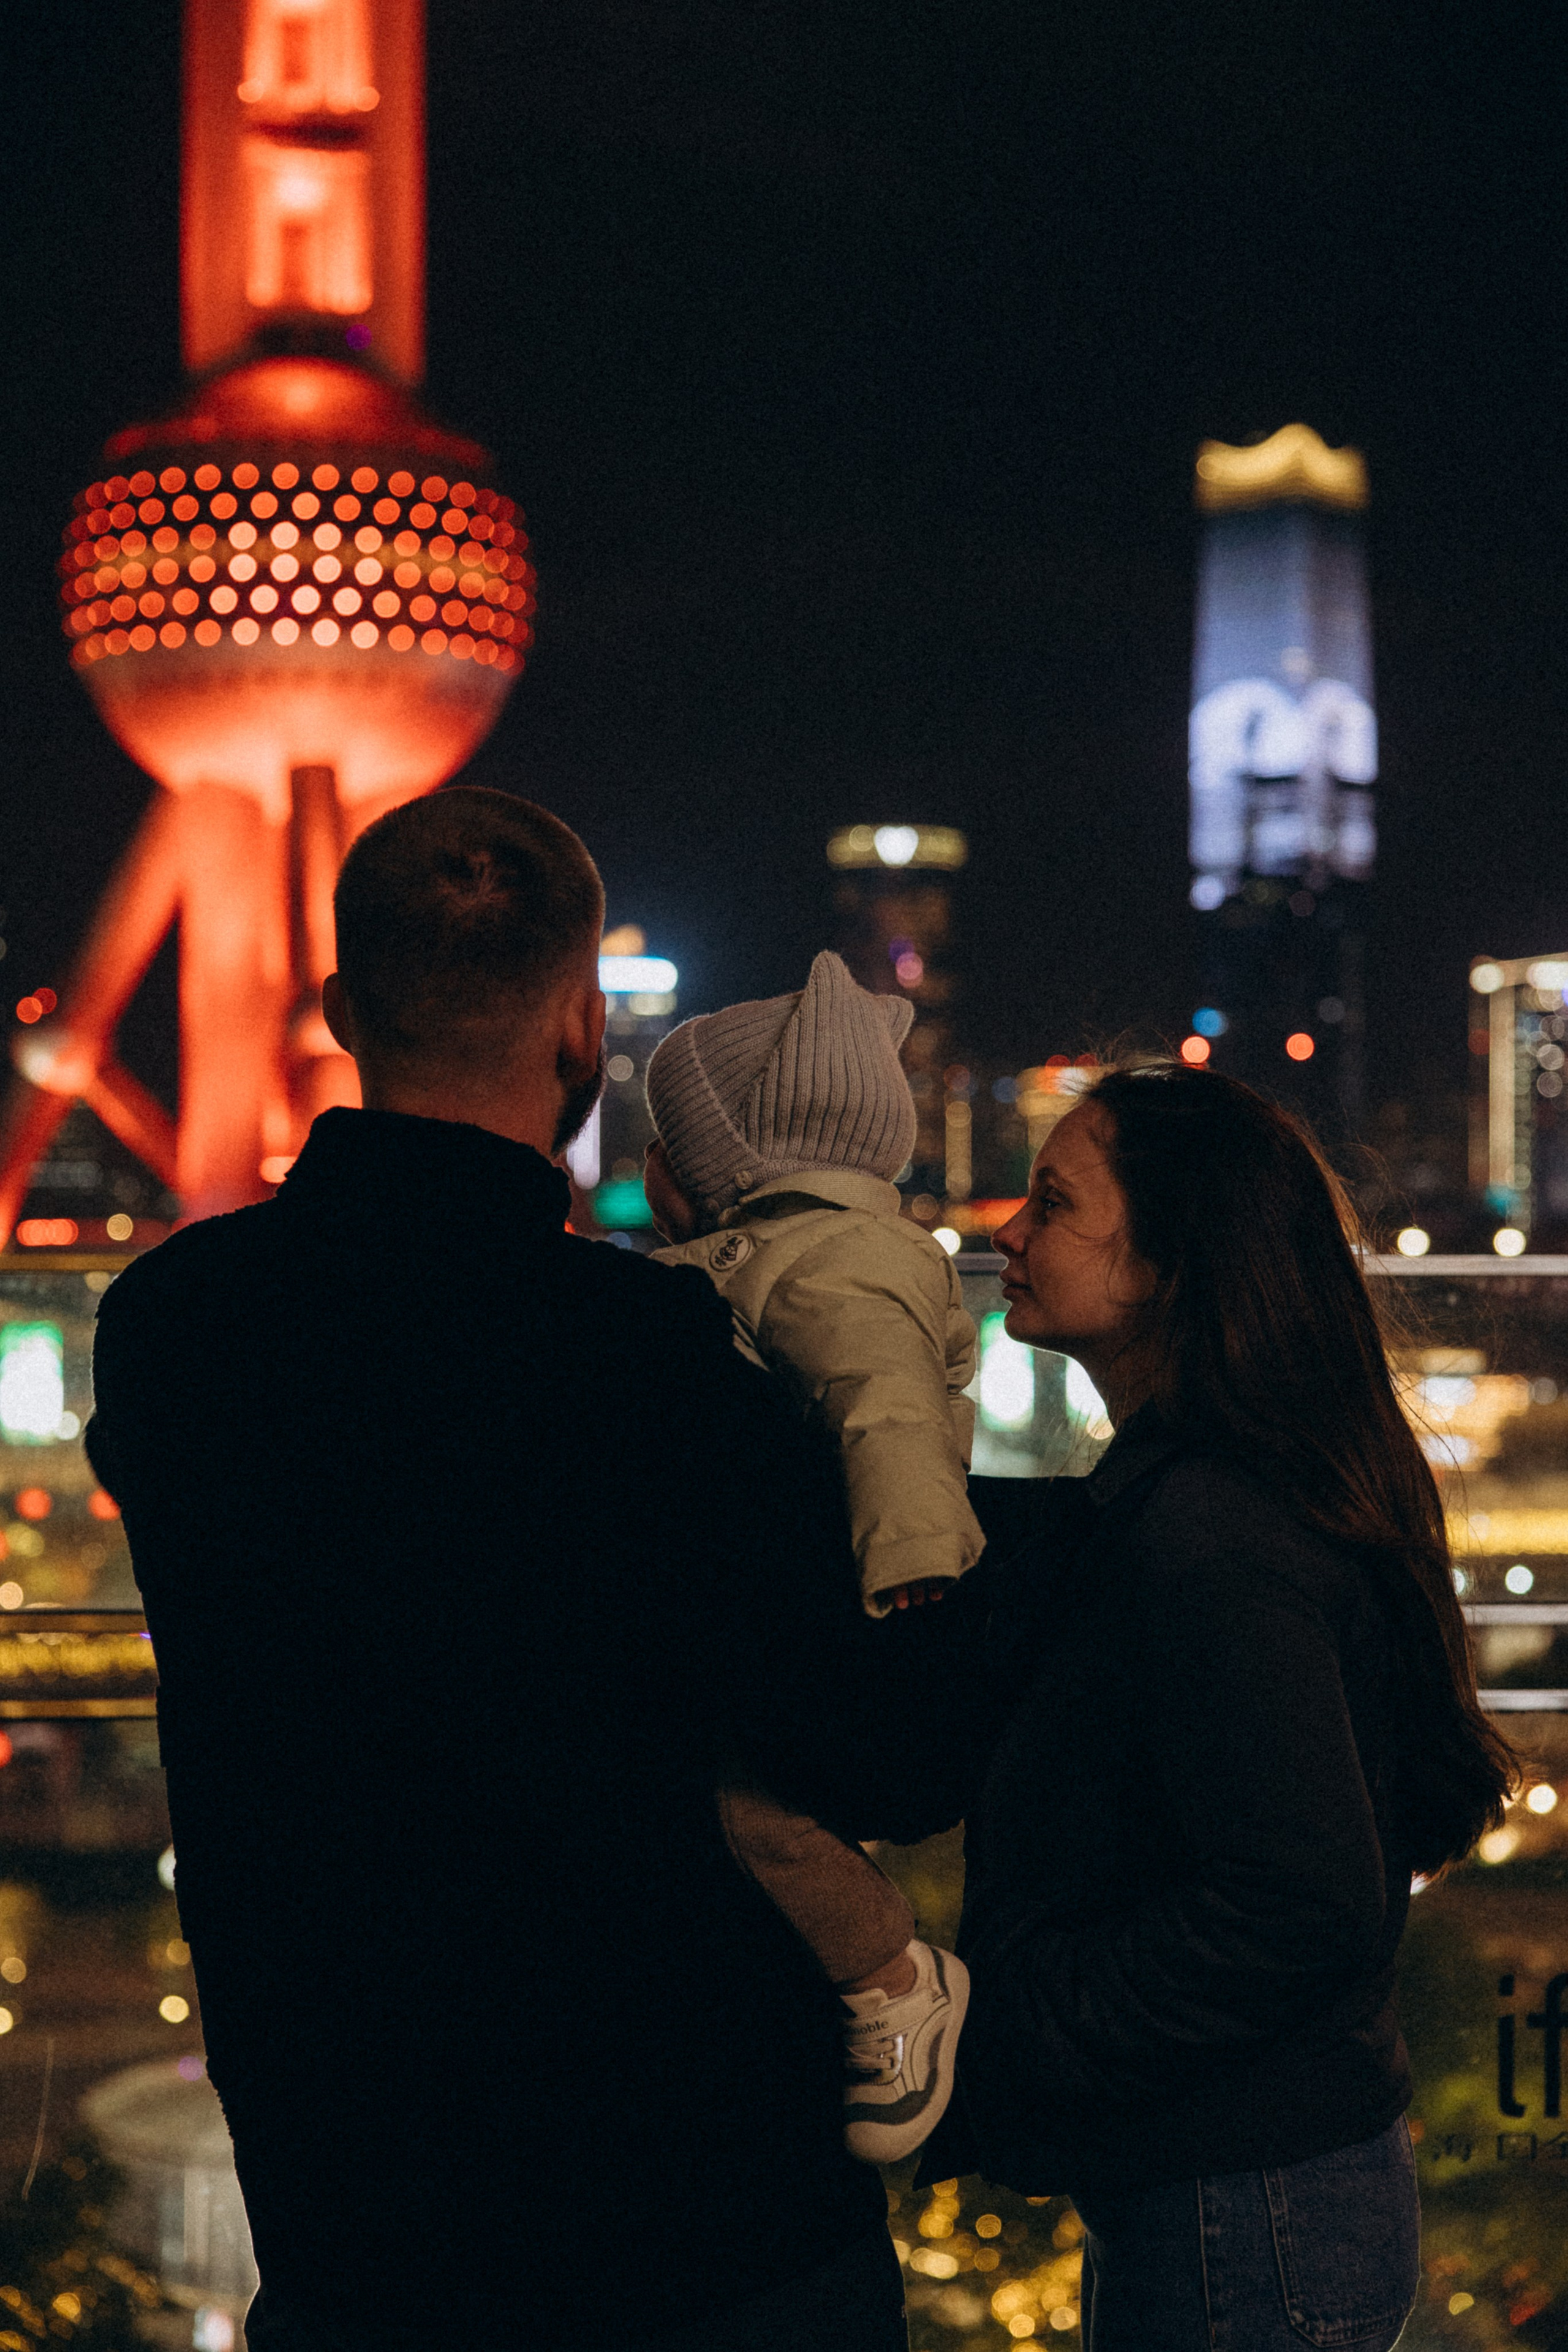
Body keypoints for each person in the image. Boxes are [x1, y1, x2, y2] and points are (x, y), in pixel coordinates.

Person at [86, 788, 952, 2352]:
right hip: (701, 2205)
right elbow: (864, 1746)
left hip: (356, 2193)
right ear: (577, 1028)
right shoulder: (659, 1361)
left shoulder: (170, 1333)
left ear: (343, 1008)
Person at [924, 1062, 1516, 2352]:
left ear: (1165, 1267)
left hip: (1239, 2201)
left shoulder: (1208, 1534)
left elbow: (1296, 1900)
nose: (1005, 1234)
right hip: (1258, 2183)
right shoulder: (1231, 1489)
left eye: (1052, 1204)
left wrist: (1013, 2023)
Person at [643, 948, 981, 2160]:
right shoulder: (802, 1256)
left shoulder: (839, 1270)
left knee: (744, 1808)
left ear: (718, 1162)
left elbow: (888, 1417)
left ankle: (890, 1979)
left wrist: (910, 1569)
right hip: (807, 1593)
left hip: (850, 1605)